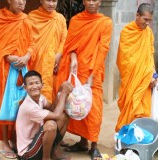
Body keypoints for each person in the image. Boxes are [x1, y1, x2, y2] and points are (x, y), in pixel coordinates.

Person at [56, 0, 113, 159]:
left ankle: (94, 145)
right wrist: (73, 58)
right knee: (78, 105)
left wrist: (94, 72)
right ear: (83, 1)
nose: (91, 3)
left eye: (95, 0)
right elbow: (70, 46)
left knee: (94, 109)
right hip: (77, 70)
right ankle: (83, 142)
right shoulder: (76, 20)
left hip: (93, 72)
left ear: (100, 2)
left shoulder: (105, 22)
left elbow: (103, 49)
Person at [0, 0, 34, 158]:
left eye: (24, 0)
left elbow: (32, 44)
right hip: (3, 69)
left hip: (22, 69)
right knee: (4, 103)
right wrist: (7, 56)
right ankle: (5, 141)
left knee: (19, 103)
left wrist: (26, 56)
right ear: (9, 0)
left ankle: (15, 138)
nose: (21, 2)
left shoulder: (26, 20)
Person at [115, 3, 157, 132]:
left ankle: (140, 141)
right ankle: (125, 139)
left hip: (145, 80)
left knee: (143, 110)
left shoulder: (148, 33)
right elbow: (125, 60)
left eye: (150, 20)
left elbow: (150, 55)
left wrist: (153, 74)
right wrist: (143, 72)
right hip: (131, 80)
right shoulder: (127, 32)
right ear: (137, 15)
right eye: (145, 19)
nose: (147, 23)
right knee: (130, 106)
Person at [16, 70, 73, 160]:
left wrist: (60, 90)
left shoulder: (40, 98)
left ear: (42, 84)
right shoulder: (29, 106)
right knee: (50, 125)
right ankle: (46, 158)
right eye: (30, 84)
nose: (34, 86)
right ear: (25, 88)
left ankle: (54, 152)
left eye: (37, 83)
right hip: (28, 154)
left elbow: (53, 108)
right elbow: (56, 116)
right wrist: (64, 94)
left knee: (64, 116)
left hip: (37, 143)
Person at [28, 0, 67, 103]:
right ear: (41, 1)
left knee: (54, 92)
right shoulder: (32, 17)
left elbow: (64, 39)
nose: (51, 4)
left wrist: (58, 54)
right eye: (48, 0)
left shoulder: (60, 18)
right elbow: (27, 39)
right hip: (37, 62)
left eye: (54, 1)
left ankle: (51, 115)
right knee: (37, 89)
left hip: (56, 63)